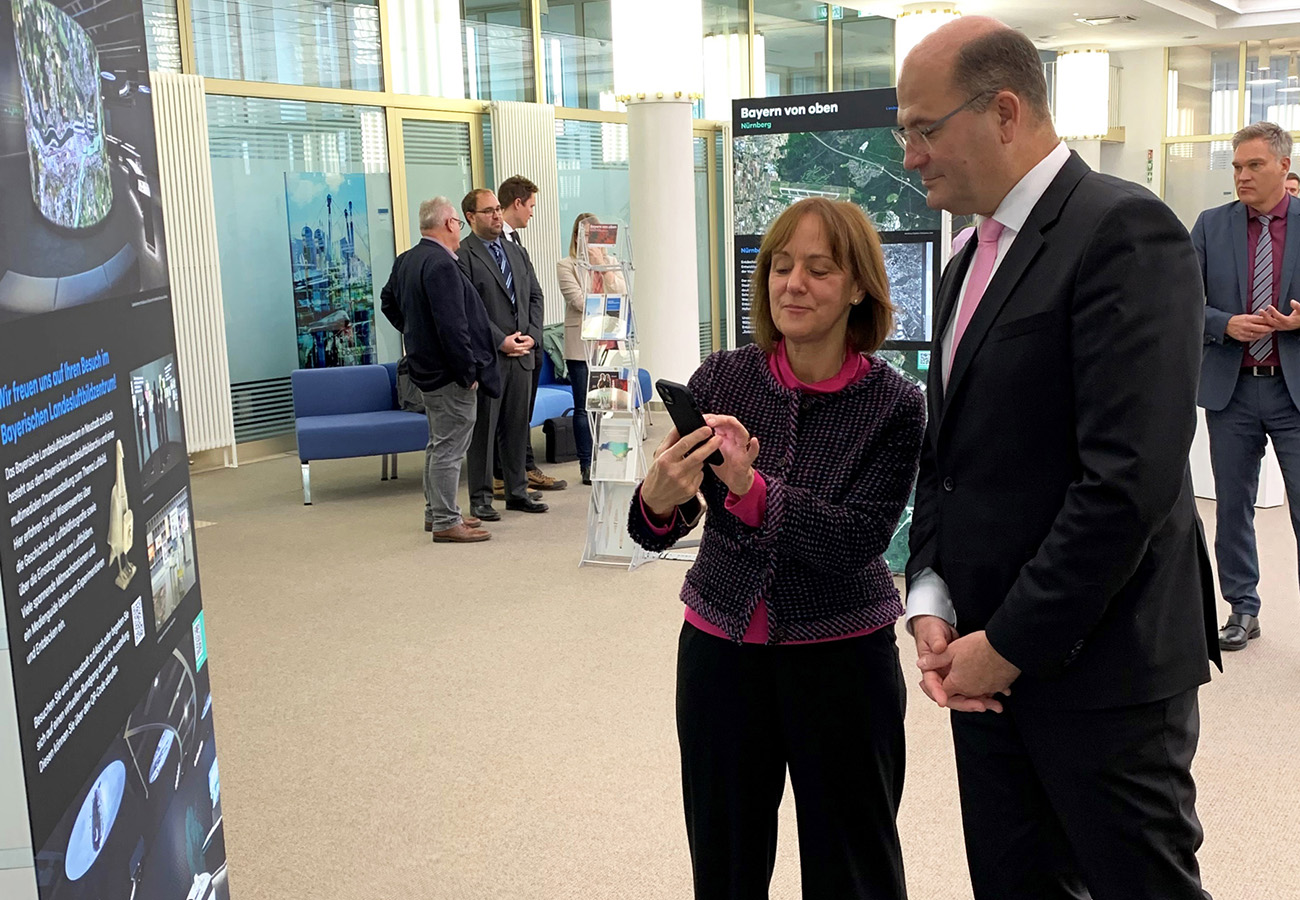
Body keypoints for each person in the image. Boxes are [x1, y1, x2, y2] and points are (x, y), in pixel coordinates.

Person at [897, 18, 1220, 900]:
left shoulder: (1124, 230)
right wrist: (931, 595)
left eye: (924, 129)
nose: (911, 156)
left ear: (1004, 112)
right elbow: (947, 453)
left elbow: (1128, 482)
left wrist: (1010, 643)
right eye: (903, 132)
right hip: (979, 664)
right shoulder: (966, 259)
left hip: (1101, 665)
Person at [627, 197, 924, 900]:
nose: (793, 284)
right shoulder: (721, 378)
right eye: (780, 266)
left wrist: (752, 488)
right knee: (724, 865)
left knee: (854, 868)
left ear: (858, 286)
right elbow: (658, 526)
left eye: (819, 269)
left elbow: (857, 540)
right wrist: (659, 499)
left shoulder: (894, 404)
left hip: (843, 659)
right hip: (719, 654)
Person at [1193, 121, 1300, 652]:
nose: (1242, 176)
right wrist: (1224, 324)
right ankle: (1242, 608)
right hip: (1231, 391)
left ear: (1284, 165)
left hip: (1293, 392)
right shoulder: (1211, 226)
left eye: (1254, 165)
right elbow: (1181, 300)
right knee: (1232, 507)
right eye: (1237, 166)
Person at [380, 196, 499, 543]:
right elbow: (453, 327)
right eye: (458, 223)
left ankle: (437, 512)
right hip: (449, 374)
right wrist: (468, 372)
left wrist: (415, 332)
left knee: (438, 443)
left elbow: (388, 303)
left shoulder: (407, 259)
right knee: (449, 448)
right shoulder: (442, 264)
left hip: (425, 369)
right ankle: (447, 521)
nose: (459, 229)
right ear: (449, 223)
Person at [459, 188, 549, 518]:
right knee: (484, 432)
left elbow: (535, 296)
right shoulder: (463, 254)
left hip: (522, 354)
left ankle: (517, 491)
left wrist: (532, 336)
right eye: (489, 211)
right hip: (490, 357)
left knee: (516, 427)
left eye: (498, 209)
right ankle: (481, 498)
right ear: (470, 217)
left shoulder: (516, 250)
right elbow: (469, 308)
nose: (497, 215)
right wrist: (500, 340)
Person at [497, 174, 567, 493]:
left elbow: (535, 294)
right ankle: (513, 473)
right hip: (506, 347)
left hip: (529, 343)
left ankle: (524, 469)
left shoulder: (516, 242)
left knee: (522, 413)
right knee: (509, 415)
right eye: (531, 206)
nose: (532, 213)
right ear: (517, 203)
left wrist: (534, 336)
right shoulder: (490, 245)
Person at [557, 213, 627, 485]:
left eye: (595, 235)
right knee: (584, 407)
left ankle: (608, 461)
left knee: (608, 405)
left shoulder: (611, 262)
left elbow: (622, 293)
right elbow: (578, 301)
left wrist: (603, 267)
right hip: (581, 344)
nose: (591, 241)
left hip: (609, 342)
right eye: (585, 235)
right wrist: (606, 302)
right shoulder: (566, 265)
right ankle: (586, 464)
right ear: (576, 237)